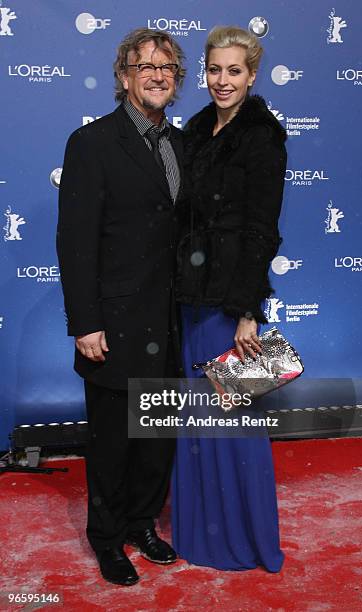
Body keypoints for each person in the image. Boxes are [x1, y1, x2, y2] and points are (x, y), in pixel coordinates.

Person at [56, 28, 185, 586]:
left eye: (169, 68)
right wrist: (86, 322)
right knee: (111, 444)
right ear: (124, 75)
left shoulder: (181, 144)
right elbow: (76, 241)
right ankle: (107, 539)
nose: (158, 75)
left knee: (156, 437)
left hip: (170, 320)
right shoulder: (91, 144)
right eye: (147, 66)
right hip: (114, 323)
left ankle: (141, 523)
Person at [171, 26, 287, 571]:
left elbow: (262, 230)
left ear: (252, 74)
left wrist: (248, 311)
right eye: (214, 70)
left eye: (233, 71)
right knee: (195, 424)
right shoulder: (194, 130)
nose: (222, 81)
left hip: (228, 305)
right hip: (188, 299)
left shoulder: (264, 136)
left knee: (233, 422)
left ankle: (245, 538)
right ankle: (197, 533)